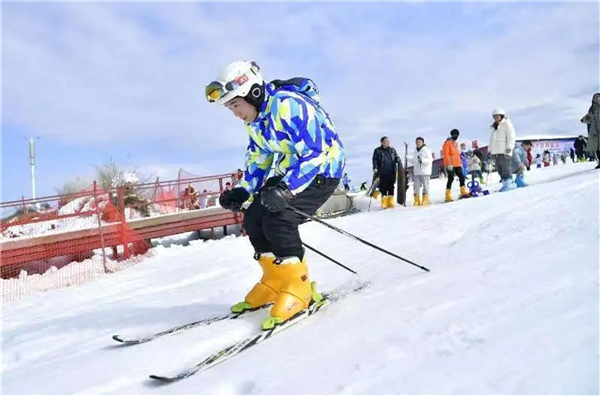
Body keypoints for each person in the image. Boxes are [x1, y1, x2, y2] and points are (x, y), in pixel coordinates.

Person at [207, 60, 345, 330]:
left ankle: (299, 289)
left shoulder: (288, 105)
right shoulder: (256, 121)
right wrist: (242, 190)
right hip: (289, 173)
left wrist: (286, 189)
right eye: (230, 108)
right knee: (253, 219)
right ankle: (275, 282)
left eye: (235, 105)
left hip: (323, 170)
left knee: (278, 218)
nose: (235, 113)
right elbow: (260, 158)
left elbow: (316, 152)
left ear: (253, 94)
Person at [488, 108, 516, 192]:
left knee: (505, 168)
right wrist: (490, 150)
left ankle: (509, 184)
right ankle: (505, 184)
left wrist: (509, 147)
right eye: (494, 116)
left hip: (504, 150)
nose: (496, 118)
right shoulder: (493, 127)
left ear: (502, 116)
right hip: (496, 151)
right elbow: (491, 140)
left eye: (497, 116)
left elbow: (511, 136)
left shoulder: (506, 124)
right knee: (499, 168)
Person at [372, 136, 400, 208]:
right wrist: (375, 167)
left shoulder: (392, 150)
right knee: (383, 187)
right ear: (382, 142)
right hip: (382, 172)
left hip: (391, 172)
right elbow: (374, 160)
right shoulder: (377, 150)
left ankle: (390, 201)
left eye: (388, 141)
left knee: (391, 186)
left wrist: (398, 159)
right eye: (386, 141)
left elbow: (396, 157)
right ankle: (384, 202)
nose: (387, 143)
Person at [442, 129, 468, 202]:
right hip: (450, 164)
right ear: (451, 135)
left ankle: (463, 191)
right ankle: (448, 194)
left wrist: (460, 162)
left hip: (457, 164)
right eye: (454, 134)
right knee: (451, 178)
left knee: (462, 177)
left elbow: (457, 154)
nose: (455, 136)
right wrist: (448, 163)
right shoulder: (447, 143)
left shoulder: (456, 144)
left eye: (457, 135)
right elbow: (446, 154)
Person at [408, 137, 432, 206]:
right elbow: (414, 161)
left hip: (424, 171)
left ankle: (425, 199)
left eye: (419, 142)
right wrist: (408, 158)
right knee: (416, 186)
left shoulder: (426, 150)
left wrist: (423, 160)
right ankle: (416, 199)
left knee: (425, 186)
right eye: (417, 142)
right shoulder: (415, 151)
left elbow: (430, 160)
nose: (418, 143)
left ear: (422, 142)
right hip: (417, 171)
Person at [580, 93, 600, 169]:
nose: (597, 99)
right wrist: (583, 119)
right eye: (596, 97)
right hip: (595, 130)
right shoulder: (592, 109)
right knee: (597, 147)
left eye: (598, 97)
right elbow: (589, 117)